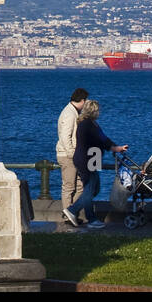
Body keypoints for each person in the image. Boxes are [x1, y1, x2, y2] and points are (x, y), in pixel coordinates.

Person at [63, 100, 128, 229]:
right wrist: (116, 148)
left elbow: (104, 139)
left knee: (93, 189)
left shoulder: (90, 124)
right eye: (98, 110)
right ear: (93, 111)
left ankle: (78, 212)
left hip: (93, 158)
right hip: (87, 160)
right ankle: (82, 215)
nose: (99, 112)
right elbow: (102, 141)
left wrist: (115, 146)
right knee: (90, 188)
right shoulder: (88, 125)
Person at [56, 87, 88, 220]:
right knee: (69, 186)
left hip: (73, 154)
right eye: (85, 102)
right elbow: (65, 136)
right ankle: (68, 214)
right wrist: (71, 153)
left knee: (80, 186)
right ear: (82, 100)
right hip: (67, 155)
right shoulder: (69, 114)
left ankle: (71, 212)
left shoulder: (72, 111)